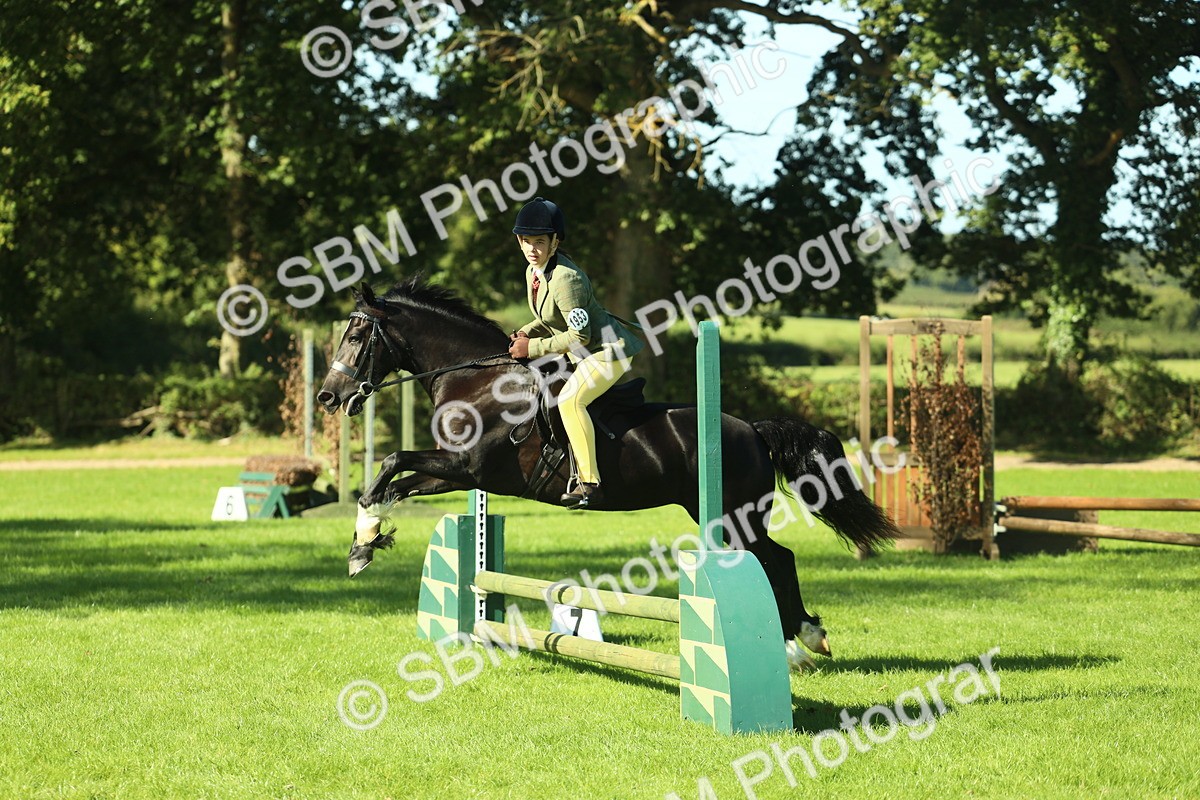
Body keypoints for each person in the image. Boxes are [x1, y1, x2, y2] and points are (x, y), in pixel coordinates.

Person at [507, 197, 644, 509]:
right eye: (526, 241)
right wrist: (526, 331)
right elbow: (548, 318)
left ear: (555, 242)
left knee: (570, 400)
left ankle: (589, 484)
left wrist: (532, 347)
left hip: (607, 351)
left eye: (539, 242)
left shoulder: (567, 279)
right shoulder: (533, 271)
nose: (532, 249)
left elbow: (580, 336)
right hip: (582, 352)